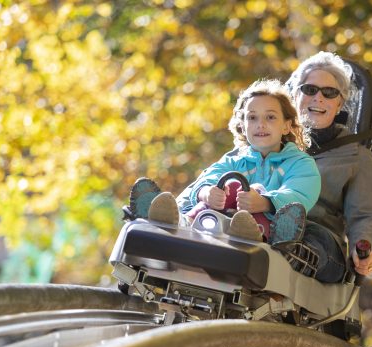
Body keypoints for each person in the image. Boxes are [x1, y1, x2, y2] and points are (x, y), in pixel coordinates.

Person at [129, 78, 321, 244]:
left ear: (287, 125)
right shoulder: (235, 160)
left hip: (265, 228)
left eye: (270, 117)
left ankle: (249, 231)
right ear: (243, 126)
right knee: (228, 184)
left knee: (251, 190)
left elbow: (299, 193)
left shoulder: (300, 163)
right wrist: (207, 193)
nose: (260, 124)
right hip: (217, 224)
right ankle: (175, 221)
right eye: (252, 118)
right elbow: (210, 176)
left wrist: (263, 202)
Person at [285, 51, 372, 280]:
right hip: (264, 226)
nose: (318, 98)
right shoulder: (269, 143)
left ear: (340, 103)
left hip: (318, 239)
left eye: (329, 93)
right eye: (309, 90)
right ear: (294, 94)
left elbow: (367, 215)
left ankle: (287, 252)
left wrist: (366, 246)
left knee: (302, 244)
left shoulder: (357, 157)